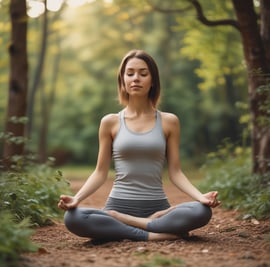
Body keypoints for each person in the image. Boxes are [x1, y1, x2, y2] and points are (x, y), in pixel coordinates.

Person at [58, 49, 221, 242]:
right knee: (73, 218)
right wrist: (77, 199)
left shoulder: (169, 121)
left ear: (153, 81)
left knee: (201, 211)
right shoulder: (110, 122)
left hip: (158, 209)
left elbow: (175, 172)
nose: (136, 78)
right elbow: (100, 173)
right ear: (123, 81)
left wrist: (200, 196)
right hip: (117, 206)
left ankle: (133, 223)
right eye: (130, 73)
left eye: (143, 74)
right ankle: (152, 234)